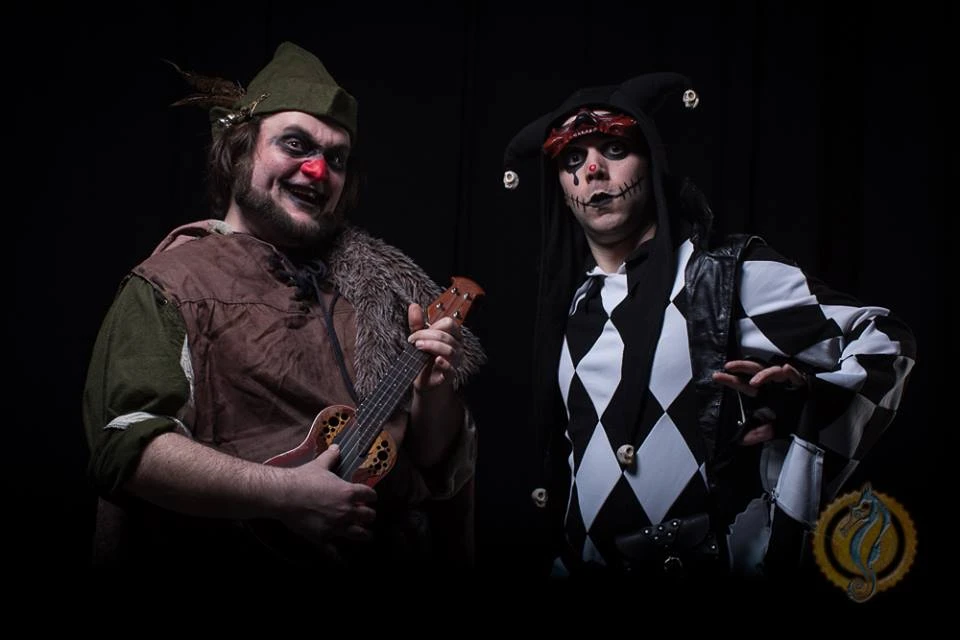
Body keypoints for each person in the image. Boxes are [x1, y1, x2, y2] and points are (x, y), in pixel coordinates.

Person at [82, 41, 485, 574]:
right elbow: (127, 446)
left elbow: (434, 470)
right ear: (238, 152)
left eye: (336, 159)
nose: (318, 170)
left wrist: (432, 398)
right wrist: (285, 494)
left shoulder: (382, 295)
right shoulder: (170, 285)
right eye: (295, 144)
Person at [500, 73, 916, 586]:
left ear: (651, 160)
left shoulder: (724, 275)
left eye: (614, 148)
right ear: (562, 189)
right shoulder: (572, 303)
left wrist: (808, 405)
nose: (592, 170)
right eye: (572, 159)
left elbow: (885, 340)